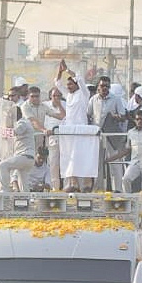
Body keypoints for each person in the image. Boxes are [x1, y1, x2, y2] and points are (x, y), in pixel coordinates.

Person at [54, 63, 98, 192]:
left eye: (71, 84)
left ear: (76, 85)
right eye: (67, 85)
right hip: (69, 131)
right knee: (70, 156)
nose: (68, 86)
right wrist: (60, 71)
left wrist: (68, 69)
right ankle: (73, 184)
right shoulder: (68, 96)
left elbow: (79, 77)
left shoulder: (83, 93)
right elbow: (57, 82)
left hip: (82, 131)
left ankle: (87, 184)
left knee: (84, 156)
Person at [0, 106, 36, 192]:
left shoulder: (22, 122)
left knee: (2, 165)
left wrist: (2, 132)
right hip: (28, 158)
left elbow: (16, 131)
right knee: (23, 183)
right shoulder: (24, 122)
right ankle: (26, 200)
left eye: (9, 116)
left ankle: (4, 191)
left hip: (24, 156)